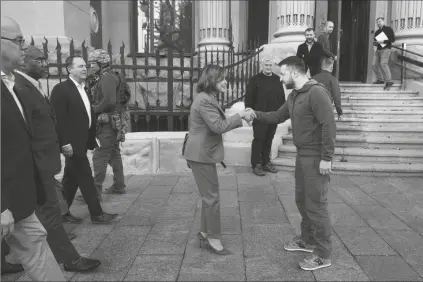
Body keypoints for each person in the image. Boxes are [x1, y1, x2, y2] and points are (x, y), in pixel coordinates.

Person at [2, 46, 102, 273]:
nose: (45, 65)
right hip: (35, 165)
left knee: (30, 213)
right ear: (24, 61)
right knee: (50, 212)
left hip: (41, 162)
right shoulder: (17, 86)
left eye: (45, 60)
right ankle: (69, 258)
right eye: (39, 60)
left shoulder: (27, 85)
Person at [246, 56, 336, 271]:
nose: (280, 79)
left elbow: (329, 125)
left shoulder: (316, 92)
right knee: (302, 201)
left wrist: (326, 157)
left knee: (317, 206)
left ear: (294, 73)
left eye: (283, 73)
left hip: (315, 157)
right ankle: (307, 240)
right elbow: (278, 116)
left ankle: (323, 254)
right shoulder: (295, 95)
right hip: (302, 155)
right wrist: (255, 114)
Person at [1, 16, 66, 281]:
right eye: (18, 40)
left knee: (37, 243)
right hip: (5, 201)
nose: (23, 47)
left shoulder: (11, 83)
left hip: (18, 199)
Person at [183, 64, 253, 255]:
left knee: (209, 196)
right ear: (212, 80)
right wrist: (240, 116)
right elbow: (218, 126)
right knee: (212, 197)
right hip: (201, 154)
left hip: (201, 153)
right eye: (222, 79)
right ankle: (213, 238)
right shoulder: (205, 100)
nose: (226, 82)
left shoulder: (207, 98)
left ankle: (206, 232)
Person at [50, 55, 118, 224]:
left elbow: (87, 114)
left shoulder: (83, 88)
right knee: (86, 176)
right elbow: (58, 119)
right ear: (69, 69)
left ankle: (61, 213)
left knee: (71, 179)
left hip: (82, 140)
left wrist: (92, 136)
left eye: (85, 66)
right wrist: (64, 142)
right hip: (71, 143)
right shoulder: (61, 89)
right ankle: (97, 214)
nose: (84, 69)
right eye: (79, 66)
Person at [88, 49, 128, 198]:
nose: (90, 67)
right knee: (114, 153)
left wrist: (92, 109)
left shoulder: (107, 78)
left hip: (107, 123)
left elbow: (109, 101)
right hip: (113, 122)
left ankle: (94, 192)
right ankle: (119, 185)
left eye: (92, 63)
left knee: (100, 155)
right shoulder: (109, 76)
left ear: (101, 63)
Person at [245, 56, 285, 176]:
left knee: (269, 139)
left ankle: (266, 163)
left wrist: (280, 113)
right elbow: (249, 98)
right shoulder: (254, 80)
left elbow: (281, 98)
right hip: (259, 115)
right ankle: (256, 164)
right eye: (266, 65)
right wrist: (249, 113)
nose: (268, 67)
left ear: (272, 66)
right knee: (258, 139)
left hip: (273, 116)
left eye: (270, 65)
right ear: (262, 65)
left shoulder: (277, 79)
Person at [372, 17, 395, 90]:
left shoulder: (388, 29)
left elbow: (392, 40)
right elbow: (376, 42)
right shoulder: (377, 32)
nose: (378, 23)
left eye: (379, 21)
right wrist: (375, 43)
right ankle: (380, 79)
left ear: (383, 21)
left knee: (383, 64)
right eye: (377, 22)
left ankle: (389, 81)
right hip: (378, 49)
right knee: (374, 64)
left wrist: (382, 41)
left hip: (386, 49)